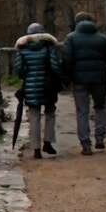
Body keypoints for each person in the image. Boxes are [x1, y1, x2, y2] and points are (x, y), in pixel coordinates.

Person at [63, 12, 106, 155]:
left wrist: (66, 79)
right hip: (99, 79)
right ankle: (100, 137)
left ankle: (85, 143)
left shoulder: (71, 38)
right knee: (100, 107)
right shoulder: (102, 39)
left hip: (79, 80)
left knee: (82, 111)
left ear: (76, 24)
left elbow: (67, 60)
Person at [13, 22, 63, 159]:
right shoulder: (49, 48)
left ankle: (36, 149)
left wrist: (27, 76)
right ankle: (48, 141)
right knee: (50, 113)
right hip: (48, 87)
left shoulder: (22, 49)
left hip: (30, 87)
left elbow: (18, 70)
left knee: (34, 116)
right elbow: (55, 67)